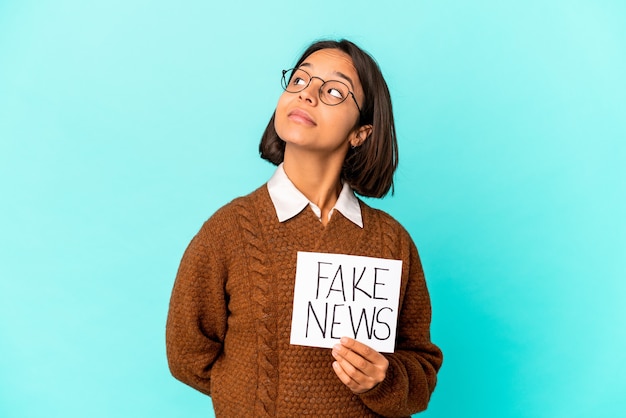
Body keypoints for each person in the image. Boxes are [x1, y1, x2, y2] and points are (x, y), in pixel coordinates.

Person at [166, 39, 443, 417]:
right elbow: (187, 355)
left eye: (332, 90)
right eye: (299, 81)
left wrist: (385, 379)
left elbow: (421, 368)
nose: (307, 94)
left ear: (361, 133)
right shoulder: (229, 230)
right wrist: (251, 395)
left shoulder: (391, 240)